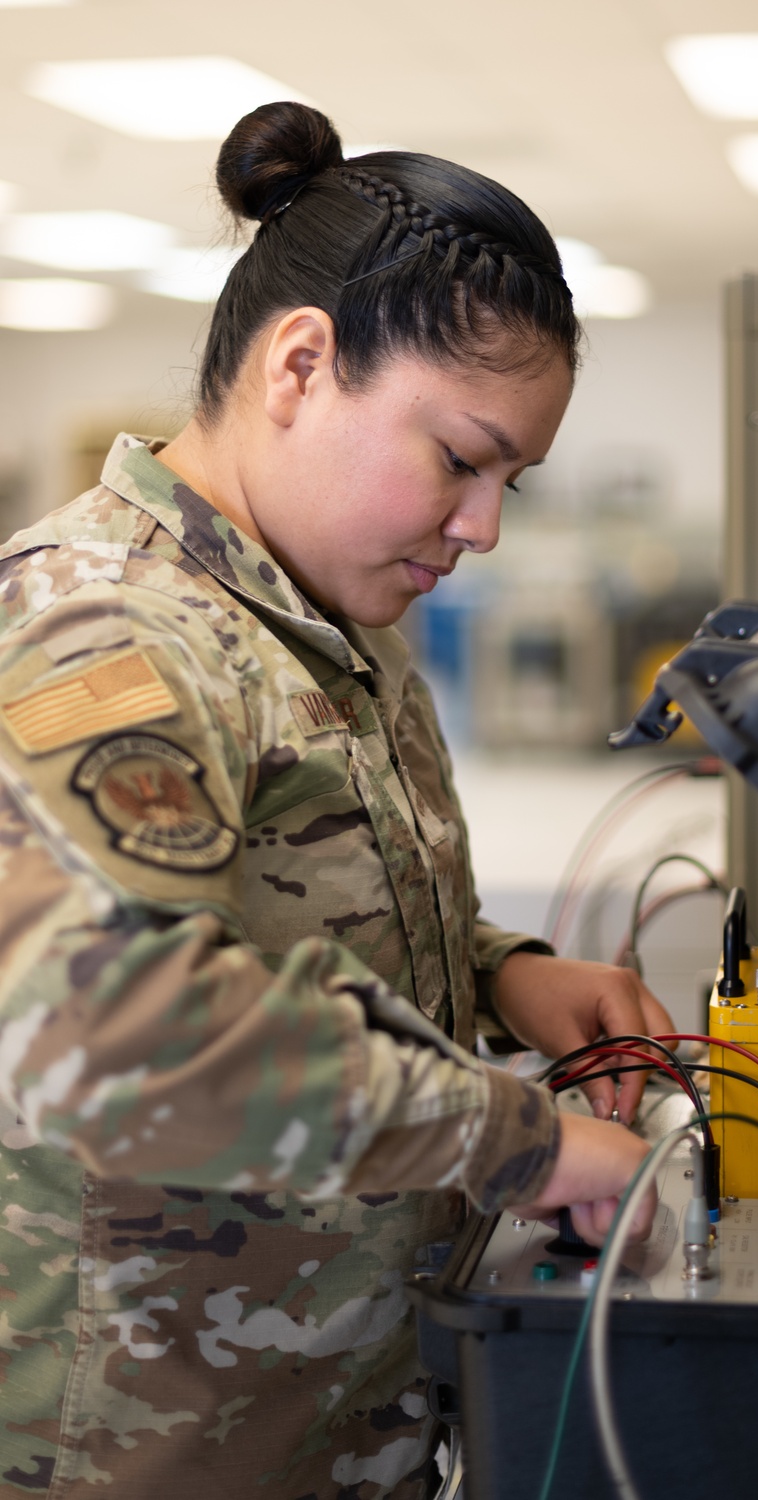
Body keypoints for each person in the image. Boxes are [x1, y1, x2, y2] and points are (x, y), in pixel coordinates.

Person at [0, 102, 671, 1499]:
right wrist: (518, 1140)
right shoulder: (111, 633)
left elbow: (298, 916)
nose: (482, 527)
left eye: (511, 483)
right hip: (146, 1450)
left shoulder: (325, 620)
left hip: (332, 1425)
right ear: (300, 365)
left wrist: (506, 975)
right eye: (460, 459)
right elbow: (116, 1023)